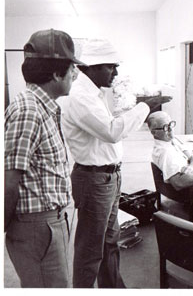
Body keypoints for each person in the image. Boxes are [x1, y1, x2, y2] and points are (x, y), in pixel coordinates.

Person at [61, 38, 172, 288]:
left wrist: (140, 108)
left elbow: (110, 130)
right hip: (94, 179)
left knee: (109, 240)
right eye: (111, 66)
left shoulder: (94, 94)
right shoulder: (80, 97)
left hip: (108, 176)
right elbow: (112, 131)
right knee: (91, 246)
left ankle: (113, 288)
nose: (116, 73)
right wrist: (144, 106)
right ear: (91, 67)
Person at [4, 29, 84, 287]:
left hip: (50, 223)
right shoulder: (29, 110)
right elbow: (8, 180)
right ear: (55, 73)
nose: (75, 74)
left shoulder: (43, 107)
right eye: (72, 68)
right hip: (38, 228)